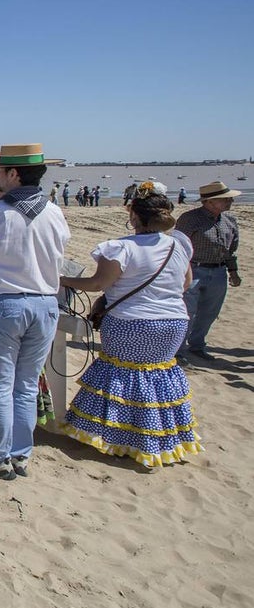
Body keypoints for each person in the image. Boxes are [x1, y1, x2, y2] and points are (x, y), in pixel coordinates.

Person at [59, 182, 202, 467]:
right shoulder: (178, 244)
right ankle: (157, 437)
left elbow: (98, 284)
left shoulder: (121, 248)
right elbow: (185, 283)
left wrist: (60, 279)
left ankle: (118, 436)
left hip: (131, 321)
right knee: (157, 379)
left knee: (120, 376)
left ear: (134, 216)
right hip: (173, 321)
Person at [0, 144, 69, 480]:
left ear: (13, 174)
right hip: (44, 303)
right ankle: (20, 453)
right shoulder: (53, 212)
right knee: (25, 385)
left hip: (0, 304)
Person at [175, 181, 242, 362]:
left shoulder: (230, 221)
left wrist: (233, 271)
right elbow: (177, 247)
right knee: (187, 312)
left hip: (219, 271)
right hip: (193, 270)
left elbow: (230, 250)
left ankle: (197, 346)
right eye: (225, 199)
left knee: (209, 312)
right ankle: (178, 351)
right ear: (209, 202)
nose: (230, 202)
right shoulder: (189, 219)